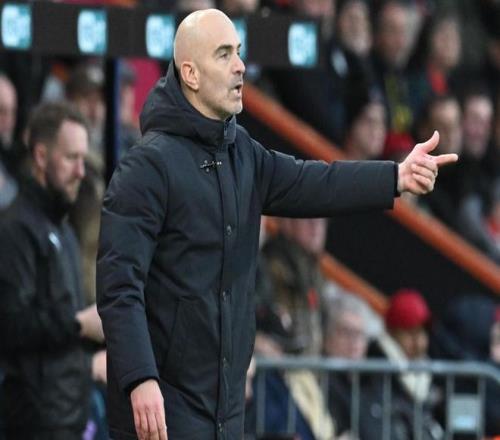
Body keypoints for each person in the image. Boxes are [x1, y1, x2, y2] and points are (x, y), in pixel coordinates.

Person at [96, 8, 457, 440]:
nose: (240, 66)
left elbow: (316, 182)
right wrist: (140, 378)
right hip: (162, 407)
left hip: (226, 409)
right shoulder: (147, 167)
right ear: (190, 74)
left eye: (239, 52)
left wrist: (394, 176)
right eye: (224, 54)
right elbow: (119, 286)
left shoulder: (243, 153)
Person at [0, 102, 104, 439]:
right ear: (42, 157)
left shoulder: (65, 231)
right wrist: (79, 324)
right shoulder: (16, 230)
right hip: (34, 423)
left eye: (83, 159)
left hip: (70, 417)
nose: (81, 172)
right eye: (71, 158)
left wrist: (91, 359)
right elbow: (12, 325)